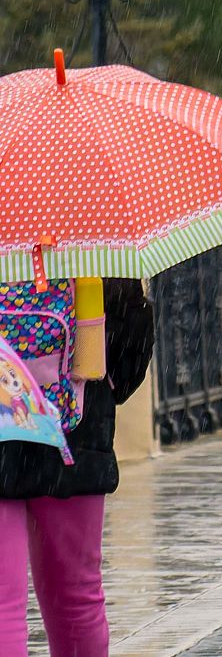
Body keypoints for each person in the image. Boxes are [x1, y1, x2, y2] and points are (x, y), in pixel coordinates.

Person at [0, 279, 153, 655]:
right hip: (75, 434)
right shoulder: (95, 248)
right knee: (76, 597)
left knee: (1, 603)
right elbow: (127, 364)